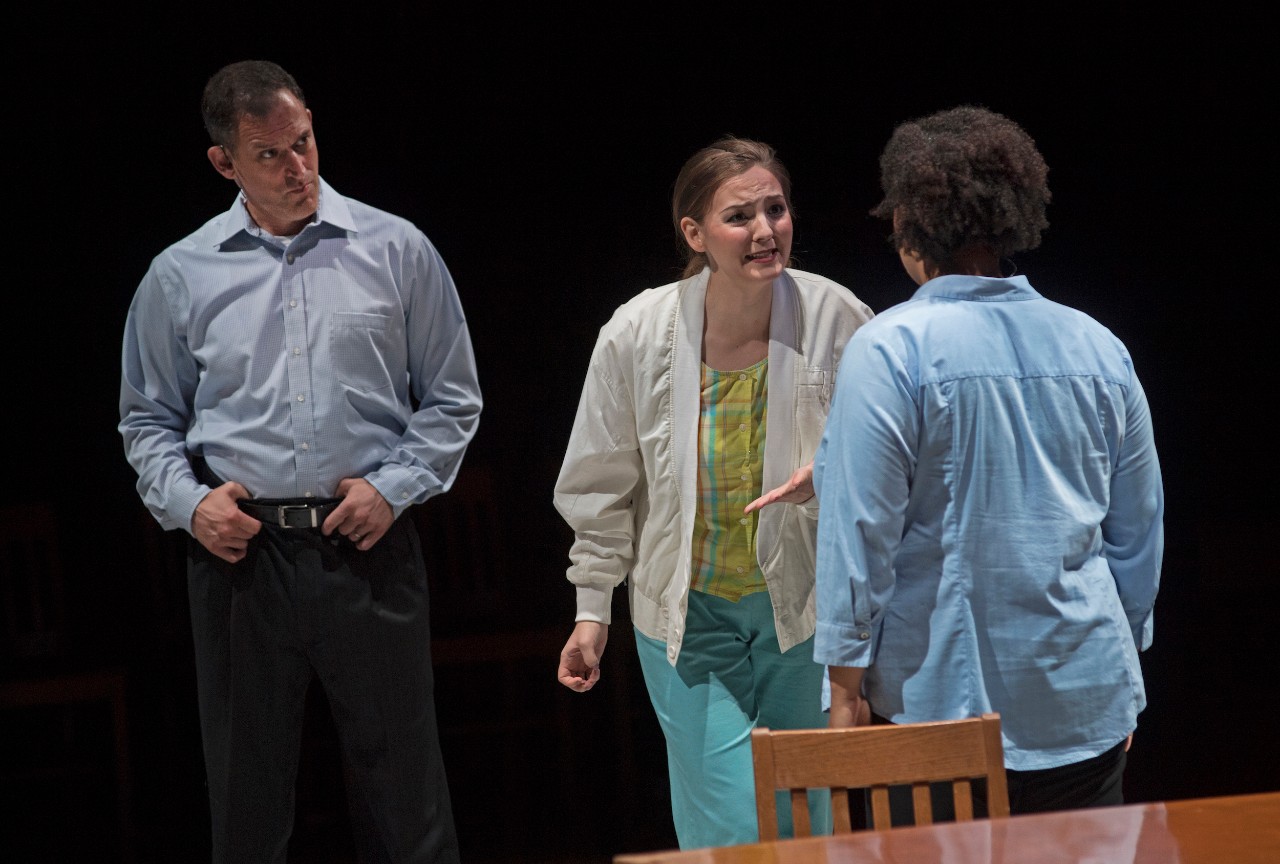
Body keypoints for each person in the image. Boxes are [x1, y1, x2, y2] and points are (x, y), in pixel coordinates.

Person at [118, 60, 481, 863]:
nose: (299, 168)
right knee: (247, 809)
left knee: (407, 805)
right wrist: (190, 504)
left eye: (305, 142)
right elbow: (146, 420)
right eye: (270, 155)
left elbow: (454, 399)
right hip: (244, 560)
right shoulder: (180, 276)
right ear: (224, 163)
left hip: (368, 548)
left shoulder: (395, 250)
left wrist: (393, 490)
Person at [813, 105, 1164, 815]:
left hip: (942, 709)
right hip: (1085, 698)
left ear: (911, 221)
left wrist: (842, 693)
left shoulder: (891, 348)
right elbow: (1138, 532)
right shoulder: (1098, 345)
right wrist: (1122, 663)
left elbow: (860, 537)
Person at [554, 137, 874, 848]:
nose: (765, 231)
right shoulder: (636, 333)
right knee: (728, 829)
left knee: (809, 823)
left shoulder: (837, 316)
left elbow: (890, 462)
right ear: (694, 235)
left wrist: (831, 478)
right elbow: (601, 483)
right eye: (740, 217)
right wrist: (591, 609)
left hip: (806, 609)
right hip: (688, 614)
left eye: (776, 209)